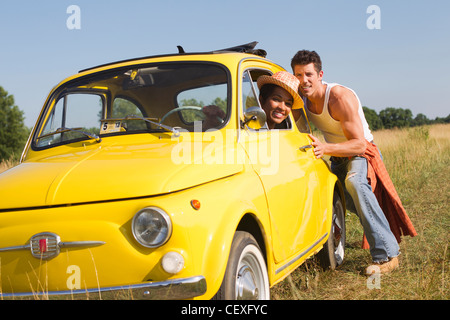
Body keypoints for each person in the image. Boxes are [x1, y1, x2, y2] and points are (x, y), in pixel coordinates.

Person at [290, 50, 416, 275]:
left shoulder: (339, 97)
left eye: (308, 74)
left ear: (320, 74)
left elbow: (359, 144)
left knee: (355, 184)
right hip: (337, 156)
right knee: (336, 197)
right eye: (298, 75)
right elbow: (298, 129)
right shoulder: (302, 99)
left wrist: (325, 148)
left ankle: (386, 256)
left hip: (361, 153)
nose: (303, 80)